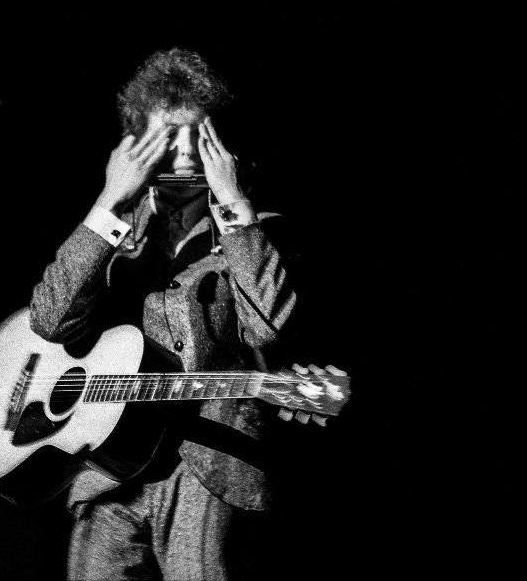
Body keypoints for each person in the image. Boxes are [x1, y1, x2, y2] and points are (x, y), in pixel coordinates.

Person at [28, 47, 344, 580]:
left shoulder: (259, 230)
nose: (183, 155)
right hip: (106, 472)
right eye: (165, 138)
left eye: (196, 137)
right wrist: (107, 202)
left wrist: (235, 211)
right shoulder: (112, 230)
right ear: (135, 145)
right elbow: (49, 322)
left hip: (212, 469)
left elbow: (271, 329)